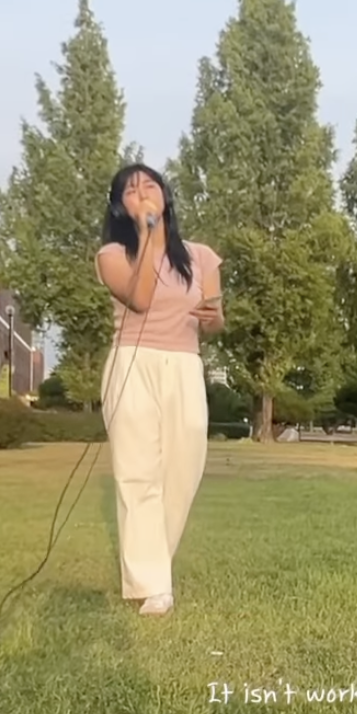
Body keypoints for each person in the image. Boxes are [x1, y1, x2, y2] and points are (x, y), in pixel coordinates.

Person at [95, 164, 224, 616]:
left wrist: (215, 318)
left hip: (184, 365)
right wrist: (148, 236)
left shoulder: (201, 256)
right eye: (131, 191)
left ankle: (154, 568)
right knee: (138, 474)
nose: (143, 194)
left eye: (149, 185)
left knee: (183, 471)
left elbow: (215, 321)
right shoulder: (112, 255)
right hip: (133, 364)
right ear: (120, 206)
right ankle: (154, 585)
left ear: (166, 195)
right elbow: (142, 300)